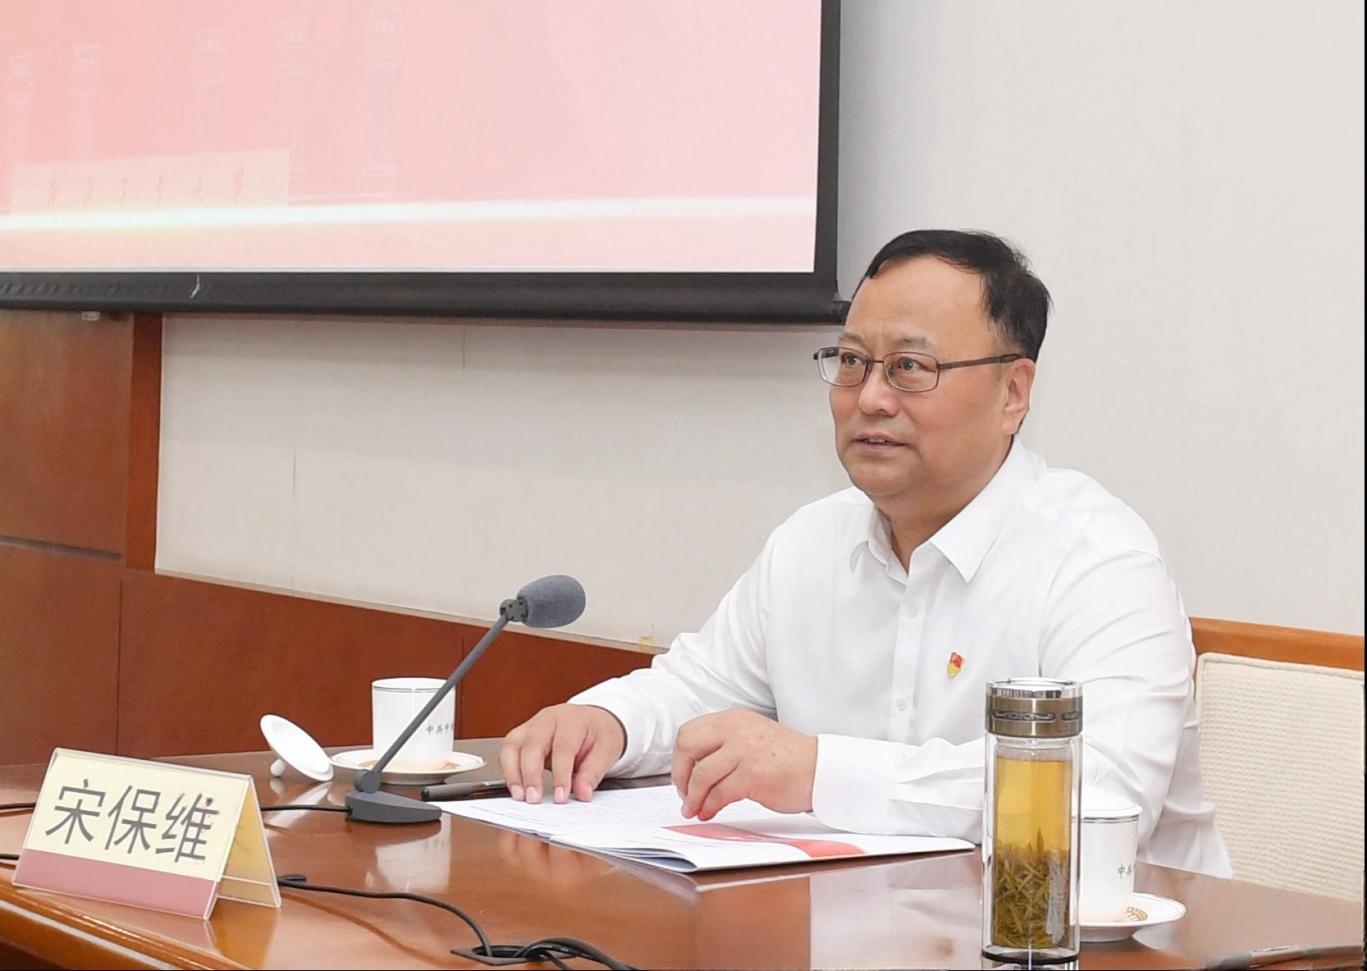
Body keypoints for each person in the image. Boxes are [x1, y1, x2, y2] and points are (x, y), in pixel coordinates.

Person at [499, 229, 1230, 876]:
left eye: (910, 367)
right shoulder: (811, 542)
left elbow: (1100, 800)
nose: (870, 397)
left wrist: (821, 772)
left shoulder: (1097, 561)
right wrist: (608, 721)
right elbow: (699, 688)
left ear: (1013, 391)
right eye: (852, 361)